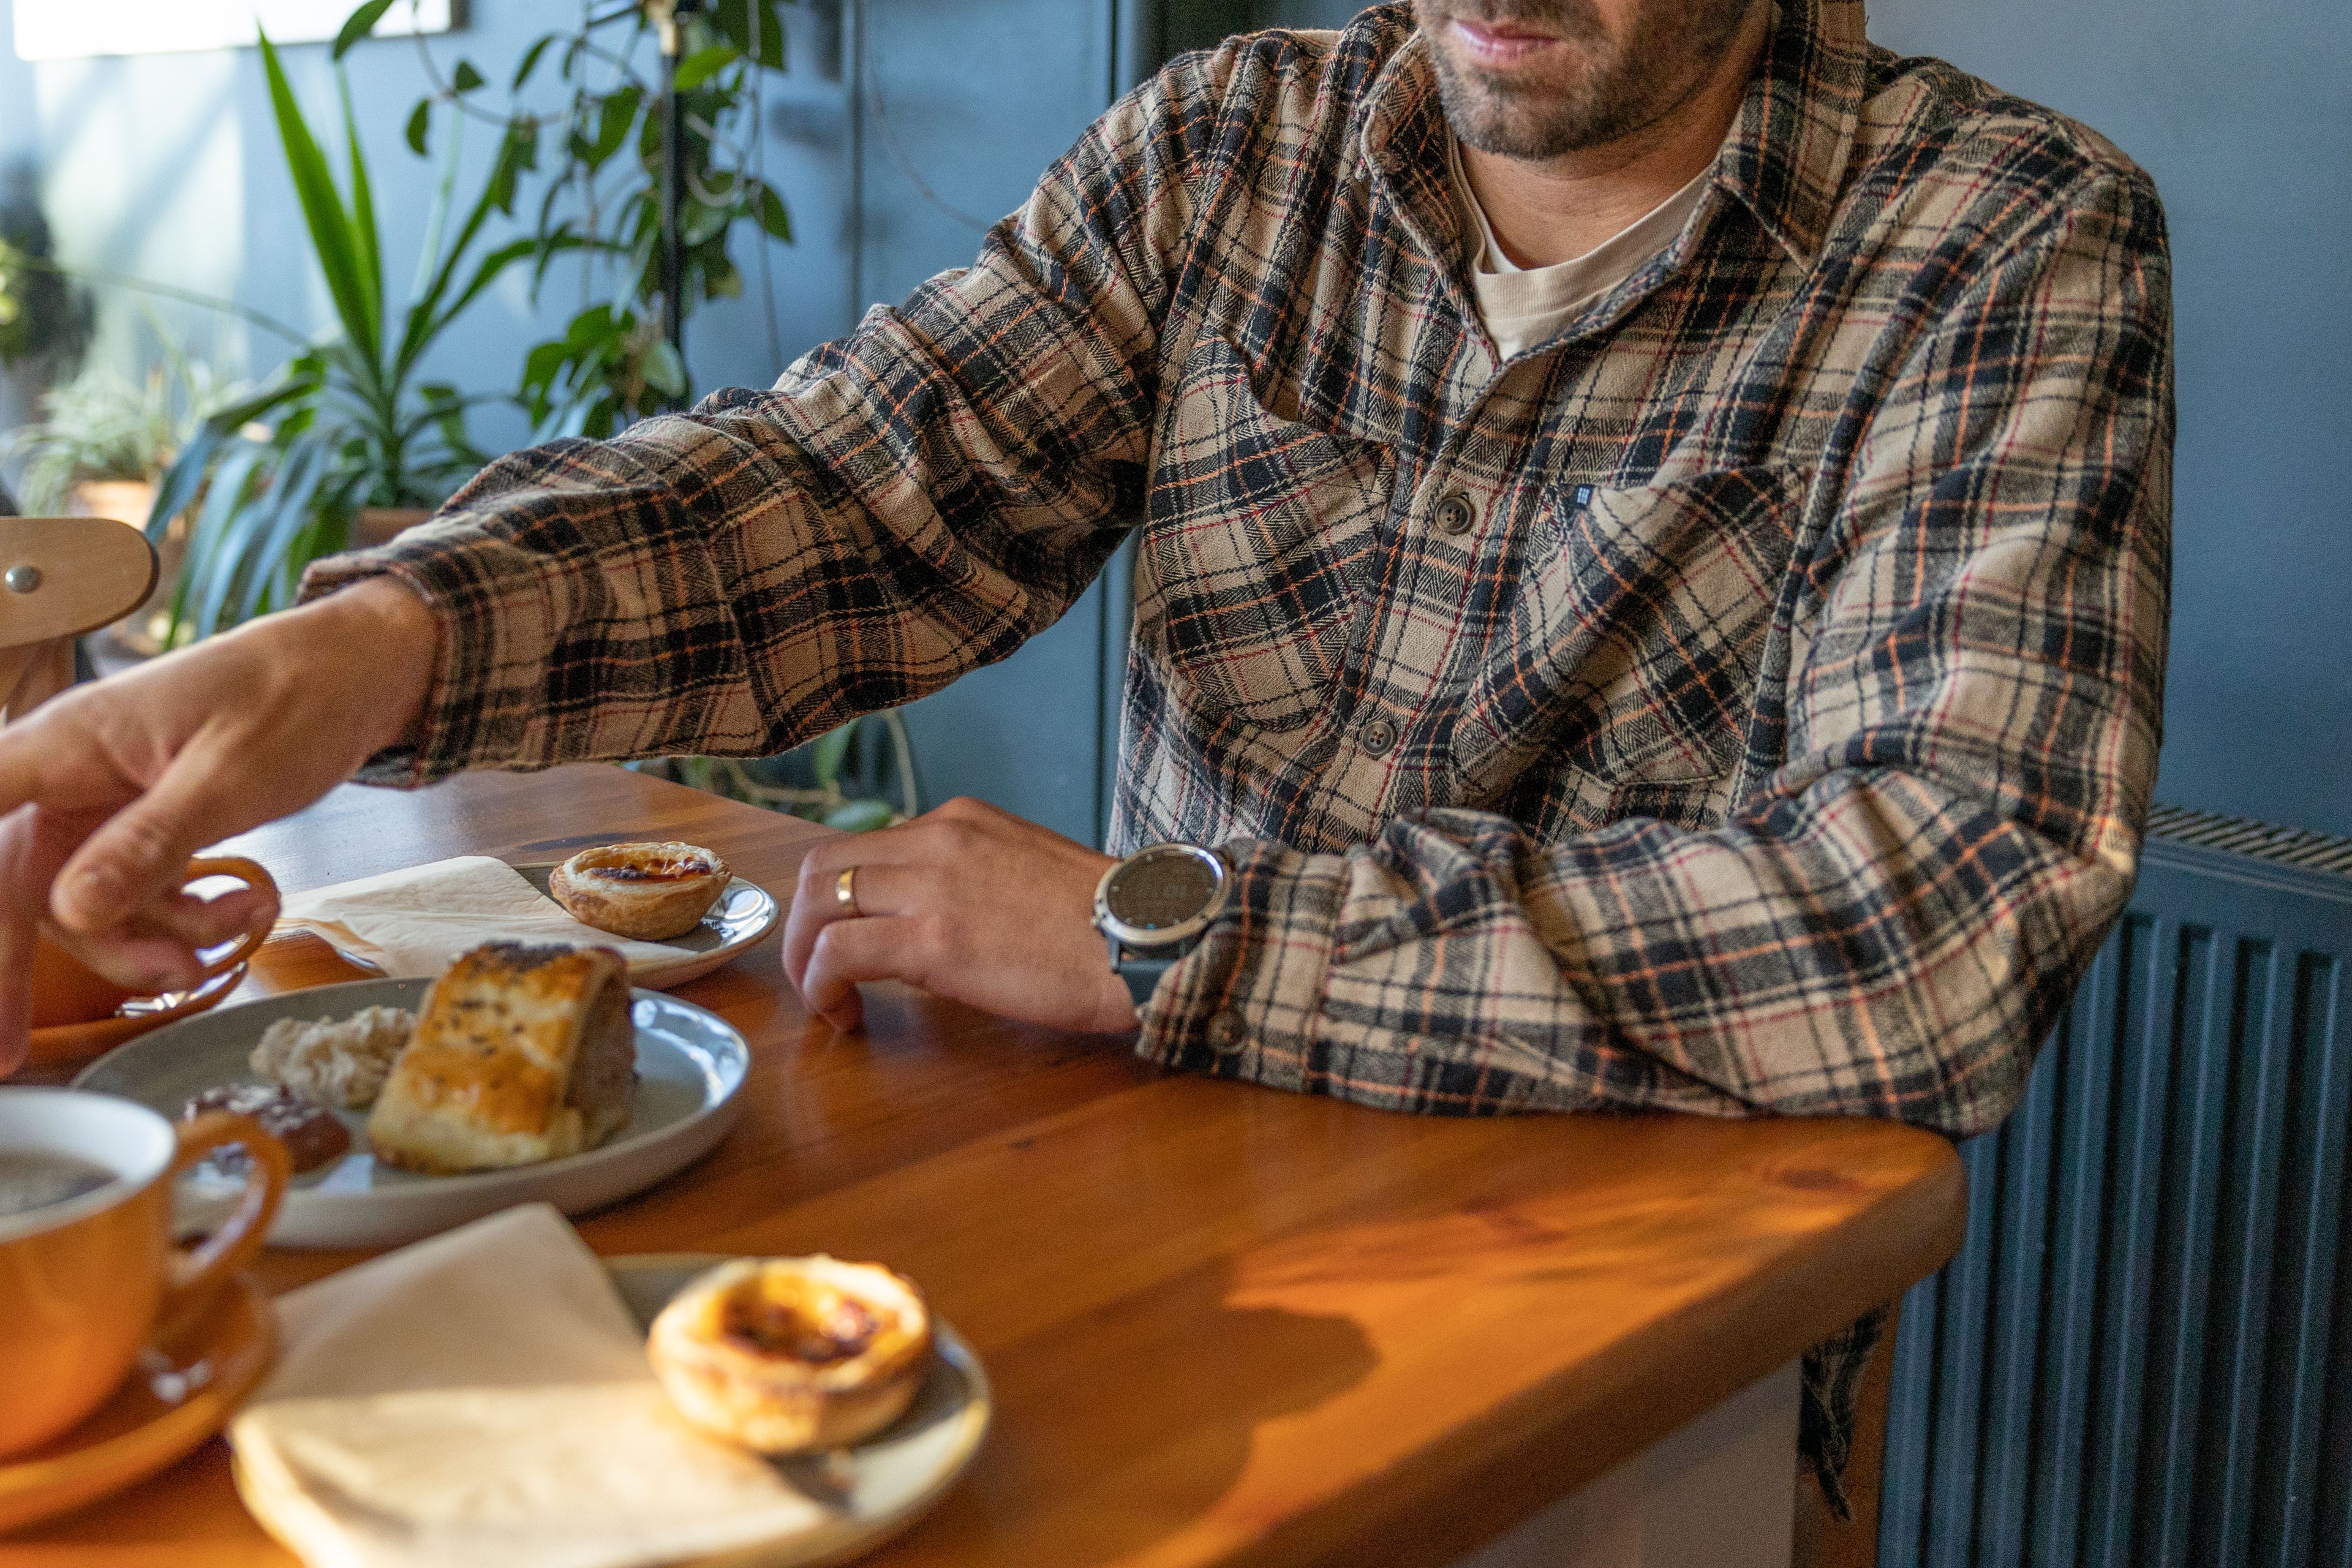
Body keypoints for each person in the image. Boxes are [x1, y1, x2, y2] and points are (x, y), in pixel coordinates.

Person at [0, 0, 2168, 1515]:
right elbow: (849, 496)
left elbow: (1937, 916)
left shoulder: (2000, 238)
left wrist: (1160, 936)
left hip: (1618, 1359)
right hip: (1155, 1268)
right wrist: (375, 647)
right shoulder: (1236, 150)